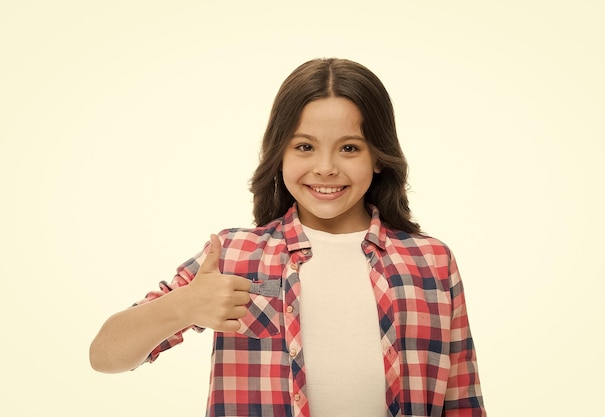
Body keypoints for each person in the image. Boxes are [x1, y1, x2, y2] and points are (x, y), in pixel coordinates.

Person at [90, 58, 487, 417]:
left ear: (379, 156)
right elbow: (105, 355)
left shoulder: (431, 262)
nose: (326, 167)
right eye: (304, 147)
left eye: (349, 148)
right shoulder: (234, 254)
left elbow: (463, 401)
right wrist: (183, 306)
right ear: (279, 154)